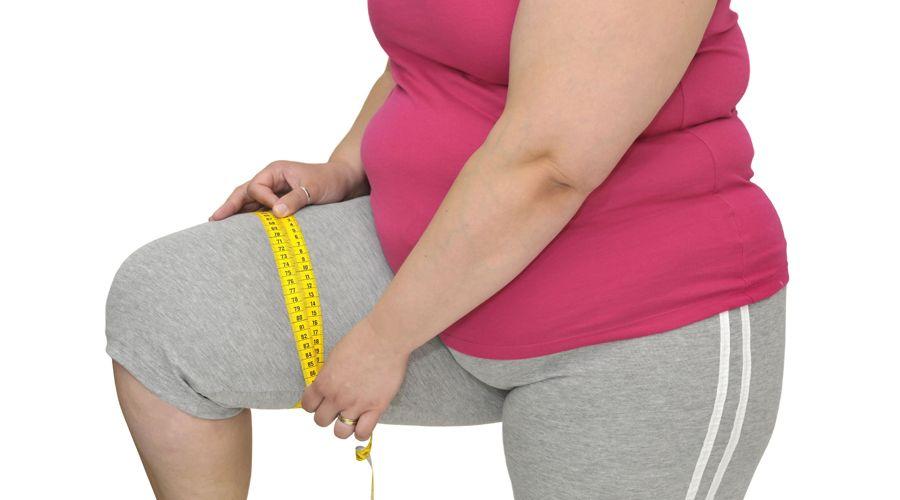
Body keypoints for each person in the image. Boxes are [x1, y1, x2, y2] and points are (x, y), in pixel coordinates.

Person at [105, 0, 789, 498]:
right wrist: (346, 164)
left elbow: (549, 164)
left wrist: (386, 337)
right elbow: (434, 46)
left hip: (637, 320)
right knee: (169, 314)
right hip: (428, 265)